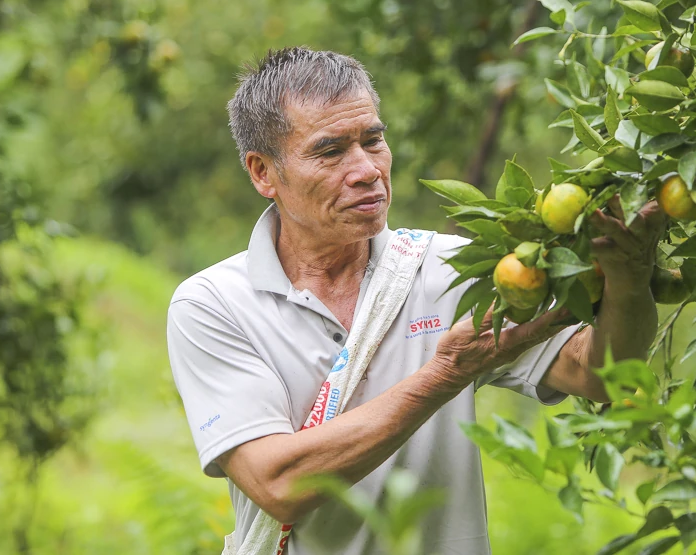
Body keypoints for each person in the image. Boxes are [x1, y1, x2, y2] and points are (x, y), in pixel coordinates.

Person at [166, 47, 666, 554]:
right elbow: (279, 485)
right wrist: (447, 372)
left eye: (373, 140)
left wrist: (629, 280)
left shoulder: (450, 268)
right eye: (330, 151)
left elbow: (599, 375)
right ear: (262, 173)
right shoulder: (214, 305)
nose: (365, 169)